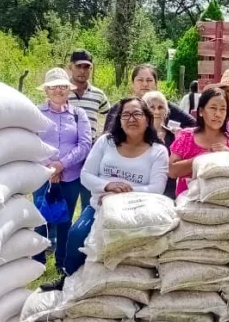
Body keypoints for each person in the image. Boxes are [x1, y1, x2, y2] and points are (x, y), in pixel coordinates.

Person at [58, 97, 169, 282]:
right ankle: (68, 280)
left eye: (137, 114)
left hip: (137, 211)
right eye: (126, 114)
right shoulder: (105, 142)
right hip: (98, 208)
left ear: (148, 119)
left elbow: (157, 188)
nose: (131, 119)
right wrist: (107, 186)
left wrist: (117, 196)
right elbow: (86, 175)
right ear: (119, 119)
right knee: (77, 236)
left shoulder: (158, 151)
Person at [33, 67, 93, 274]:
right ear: (46, 91)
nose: (58, 90)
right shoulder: (36, 113)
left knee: (65, 220)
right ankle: (37, 261)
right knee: (40, 218)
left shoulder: (78, 114)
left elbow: (85, 144)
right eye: (53, 87)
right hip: (42, 175)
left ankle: (61, 262)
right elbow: (31, 143)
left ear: (68, 90)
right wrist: (49, 166)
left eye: (62, 87)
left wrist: (61, 165)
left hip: (71, 176)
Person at [168, 87, 229, 197]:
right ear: (201, 111)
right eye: (213, 108)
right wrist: (204, 158)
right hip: (188, 204)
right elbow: (172, 171)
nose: (218, 114)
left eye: (223, 109)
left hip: (223, 203)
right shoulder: (187, 137)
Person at [103, 64, 195, 134]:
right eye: (140, 80)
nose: (145, 84)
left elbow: (194, 125)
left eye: (149, 80)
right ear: (132, 83)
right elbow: (107, 135)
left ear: (156, 84)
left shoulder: (165, 106)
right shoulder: (120, 107)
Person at [66, 49, 108, 144]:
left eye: (86, 67)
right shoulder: (61, 92)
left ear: (91, 69)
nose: (82, 71)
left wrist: (103, 137)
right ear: (70, 67)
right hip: (65, 148)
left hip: (90, 149)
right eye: (78, 66)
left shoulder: (98, 95)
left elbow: (110, 116)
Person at [144, 90, 180, 198]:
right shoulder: (138, 136)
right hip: (145, 187)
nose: (157, 111)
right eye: (152, 107)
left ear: (166, 111)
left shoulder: (174, 135)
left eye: (160, 107)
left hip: (171, 189)